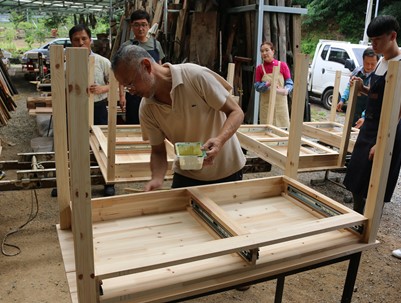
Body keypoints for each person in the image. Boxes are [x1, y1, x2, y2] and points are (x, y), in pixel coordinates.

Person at [111, 45, 246, 191]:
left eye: (130, 84)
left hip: (227, 170)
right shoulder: (147, 108)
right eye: (126, 87)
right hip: (187, 173)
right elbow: (158, 151)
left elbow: (236, 112)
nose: (130, 91)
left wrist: (220, 140)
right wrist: (157, 179)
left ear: (146, 66)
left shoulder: (195, 76)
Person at [343, 15, 401, 218]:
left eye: (377, 40)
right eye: (371, 40)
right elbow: (380, 94)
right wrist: (362, 88)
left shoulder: (400, 63)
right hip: (370, 126)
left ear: (392, 36)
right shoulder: (381, 61)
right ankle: (357, 219)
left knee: (377, 184)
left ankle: (369, 223)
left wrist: (383, 142)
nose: (373, 44)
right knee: (356, 177)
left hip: (389, 131)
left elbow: (399, 108)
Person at [69, 24, 115, 196]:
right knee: (75, 144)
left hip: (98, 108)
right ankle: (73, 182)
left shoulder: (103, 62)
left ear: (90, 40)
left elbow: (114, 84)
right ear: (71, 42)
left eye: (84, 39)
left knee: (102, 145)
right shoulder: (66, 64)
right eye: (76, 40)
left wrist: (102, 89)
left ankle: (107, 181)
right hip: (76, 108)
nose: (81, 43)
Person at [118, 9, 165, 124]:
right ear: (131, 26)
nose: (140, 28)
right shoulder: (126, 46)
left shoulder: (155, 44)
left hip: (153, 93)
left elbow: (161, 68)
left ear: (149, 26)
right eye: (137, 25)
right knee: (134, 122)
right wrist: (122, 96)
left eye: (144, 25)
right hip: (133, 93)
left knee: (154, 123)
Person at [254, 41, 294, 127]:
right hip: (266, 105)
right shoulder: (259, 69)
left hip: (281, 105)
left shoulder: (282, 65)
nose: (264, 53)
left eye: (266, 50)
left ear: (273, 51)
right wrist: (268, 84)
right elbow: (257, 87)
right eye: (262, 51)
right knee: (266, 130)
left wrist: (285, 90)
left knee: (283, 129)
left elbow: (289, 83)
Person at [336, 47, 379, 127]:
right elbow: (349, 86)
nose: (369, 67)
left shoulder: (378, 77)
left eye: (372, 64)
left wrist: (364, 116)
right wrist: (342, 100)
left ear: (377, 62)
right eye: (367, 63)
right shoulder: (356, 72)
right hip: (354, 111)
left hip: (367, 116)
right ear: (363, 61)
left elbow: (374, 101)